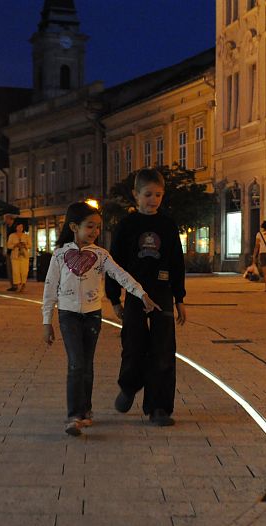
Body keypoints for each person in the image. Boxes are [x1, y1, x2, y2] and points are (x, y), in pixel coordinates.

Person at [42, 201, 159, 436]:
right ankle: (74, 415)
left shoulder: (101, 255)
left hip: (93, 316)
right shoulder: (60, 255)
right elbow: (49, 287)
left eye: (97, 227)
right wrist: (47, 321)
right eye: (90, 227)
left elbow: (121, 274)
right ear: (74, 227)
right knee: (76, 363)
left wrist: (141, 293)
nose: (95, 232)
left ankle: (85, 410)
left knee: (87, 364)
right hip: (68, 315)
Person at [105, 168, 186, 427]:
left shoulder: (168, 225)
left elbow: (177, 263)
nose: (153, 199)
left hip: (161, 292)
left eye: (158, 195)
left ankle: (159, 407)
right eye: (148, 194)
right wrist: (113, 298)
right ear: (135, 195)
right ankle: (129, 386)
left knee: (163, 349)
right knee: (134, 344)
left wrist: (179, 298)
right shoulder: (127, 226)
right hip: (134, 293)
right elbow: (113, 263)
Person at [6, 222, 31, 293]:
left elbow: (30, 245)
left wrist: (24, 245)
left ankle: (23, 285)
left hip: (24, 255)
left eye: (21, 227)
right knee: (16, 271)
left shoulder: (26, 236)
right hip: (15, 256)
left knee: (24, 271)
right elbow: (9, 245)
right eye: (19, 227)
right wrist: (15, 245)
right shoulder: (12, 235)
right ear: (16, 227)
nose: (20, 228)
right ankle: (16, 285)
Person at [3, 214, 17, 291]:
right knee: (10, 268)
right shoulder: (8, 227)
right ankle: (12, 284)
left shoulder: (14, 228)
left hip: (13, 251)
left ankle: (15, 284)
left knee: (13, 268)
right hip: (9, 250)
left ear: (9, 219)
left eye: (5, 219)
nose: (5, 221)